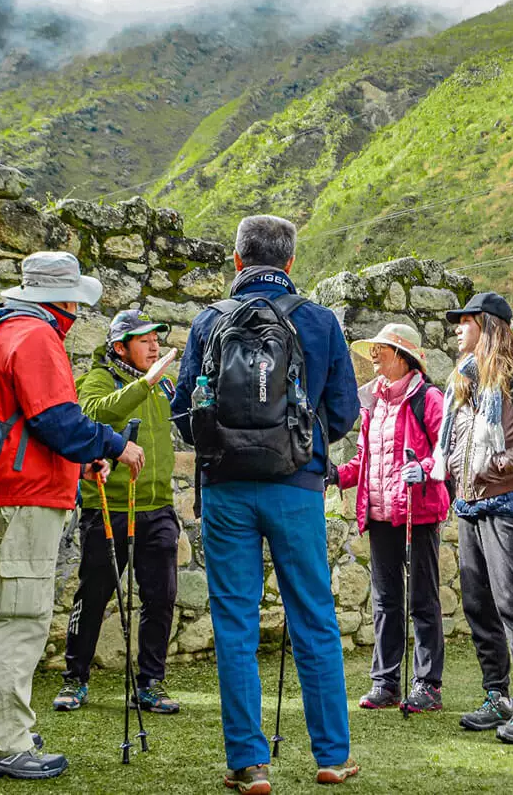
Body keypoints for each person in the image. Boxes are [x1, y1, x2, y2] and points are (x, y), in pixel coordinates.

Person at [174, 215, 361, 794]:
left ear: (236, 261)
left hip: (226, 487)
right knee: (314, 617)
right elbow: (347, 411)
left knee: (234, 622)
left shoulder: (209, 322)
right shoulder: (319, 321)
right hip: (297, 485)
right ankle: (330, 756)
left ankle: (249, 763)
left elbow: (184, 415)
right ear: (289, 263)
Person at [0, 251, 145, 780]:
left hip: (9, 486)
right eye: (75, 301)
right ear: (61, 297)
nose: (76, 312)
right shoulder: (35, 337)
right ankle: (5, 743)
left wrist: (78, 464)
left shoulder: (5, 329)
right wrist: (112, 445)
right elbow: (59, 421)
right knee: (21, 617)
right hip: (29, 494)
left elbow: (31, 426)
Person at [430, 292, 513, 745]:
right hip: (470, 505)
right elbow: (460, 447)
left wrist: (502, 464)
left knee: (511, 603)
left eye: (463, 322)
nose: (456, 329)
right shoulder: (465, 383)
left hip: (508, 503)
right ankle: (497, 697)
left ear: (486, 325)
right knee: (478, 605)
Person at [54, 309, 182, 714]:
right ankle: (75, 679)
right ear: (119, 347)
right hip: (107, 507)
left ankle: (150, 683)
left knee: (160, 598)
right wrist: (144, 383)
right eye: (144, 340)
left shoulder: (163, 386)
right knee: (93, 595)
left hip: (158, 507)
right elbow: (90, 414)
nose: (154, 346)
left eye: (155, 339)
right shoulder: (101, 378)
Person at [329, 324, 450, 714]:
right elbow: (365, 460)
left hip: (419, 514)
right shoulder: (374, 403)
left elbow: (447, 450)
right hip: (380, 514)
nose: (374, 356)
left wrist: (426, 467)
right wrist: (336, 475)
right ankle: (386, 683)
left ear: (402, 355)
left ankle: (428, 685)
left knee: (423, 601)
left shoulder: (428, 398)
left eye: (380, 349)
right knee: (385, 602)